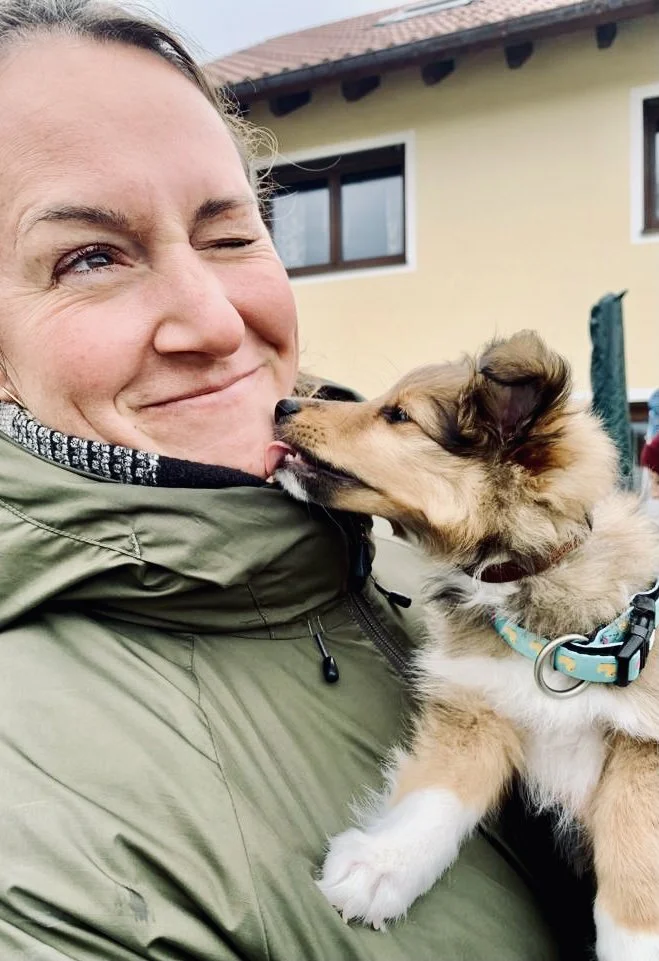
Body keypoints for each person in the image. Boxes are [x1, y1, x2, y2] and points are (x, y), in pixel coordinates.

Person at [0, 1, 565, 958]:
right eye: (90, 257)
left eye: (229, 233)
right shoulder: (37, 820)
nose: (217, 322)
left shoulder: (391, 554)